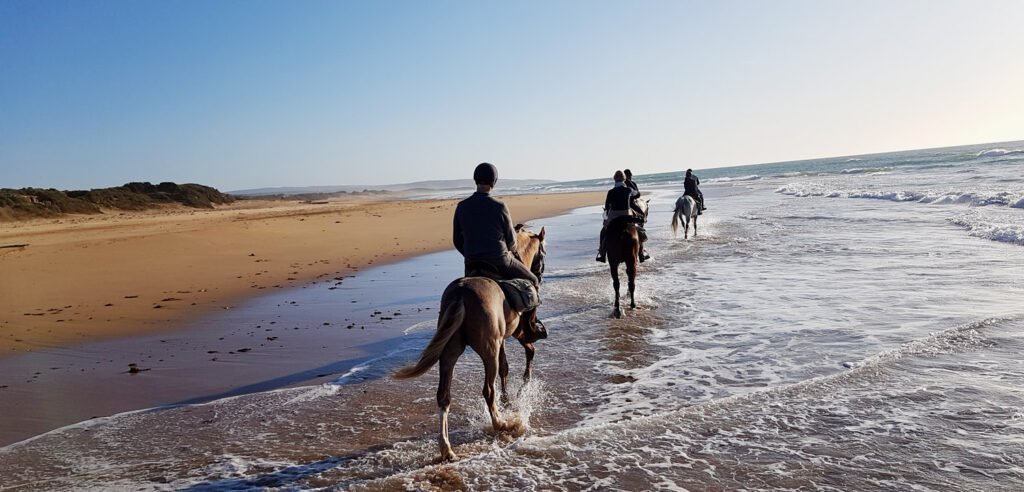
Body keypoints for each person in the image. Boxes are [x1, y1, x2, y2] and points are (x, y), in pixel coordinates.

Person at [453, 162, 539, 287]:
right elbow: (511, 241)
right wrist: (511, 251)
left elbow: (457, 240)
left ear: (475, 180)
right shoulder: (500, 207)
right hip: (500, 262)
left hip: (471, 264)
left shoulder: (461, 206)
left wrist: (470, 255)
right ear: (494, 181)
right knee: (534, 281)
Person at [596, 170, 649, 263]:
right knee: (639, 230)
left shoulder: (610, 192)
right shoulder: (629, 190)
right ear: (624, 179)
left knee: (603, 232)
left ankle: (602, 254)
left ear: (614, 179)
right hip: (627, 216)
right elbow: (637, 195)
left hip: (614, 217)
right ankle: (641, 253)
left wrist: (606, 219)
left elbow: (607, 207)